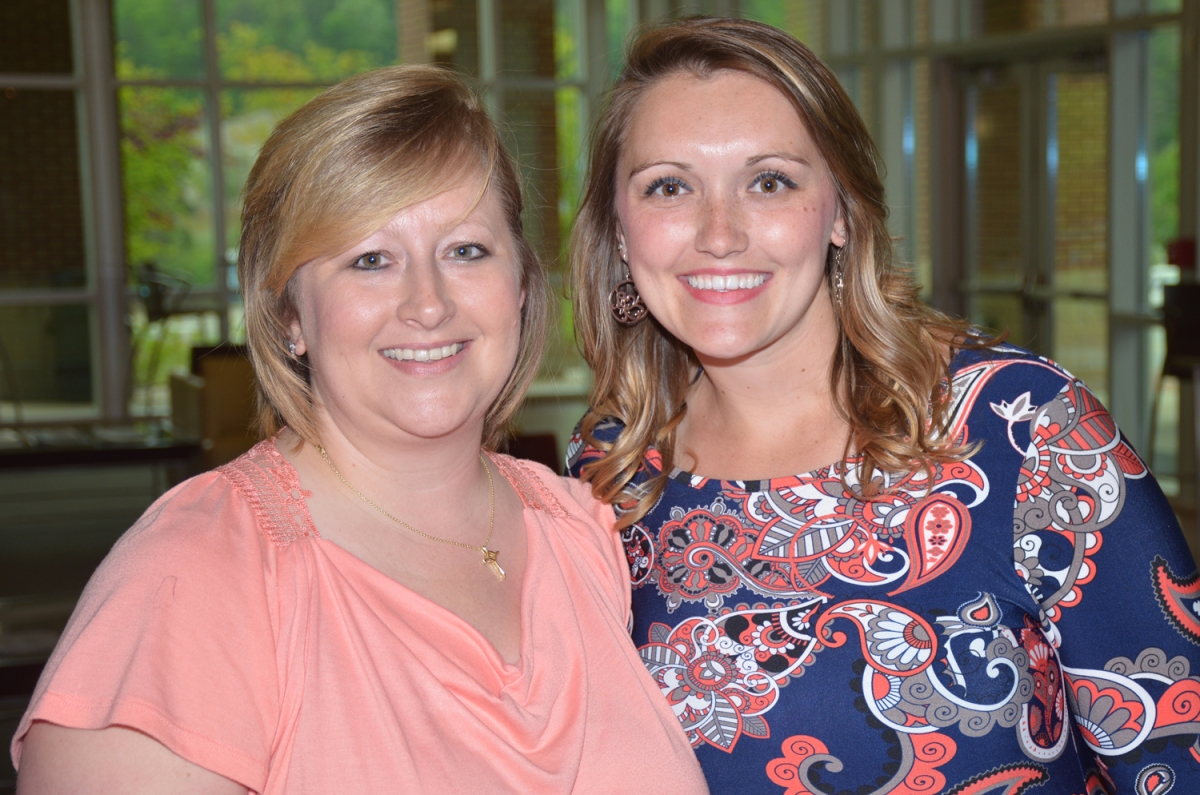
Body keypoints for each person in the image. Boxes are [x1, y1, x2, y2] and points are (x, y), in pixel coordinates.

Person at [13, 65, 707, 795]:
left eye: (466, 250)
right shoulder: (196, 573)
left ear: (524, 284)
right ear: (288, 316)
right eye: (370, 260)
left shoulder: (586, 532)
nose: (428, 304)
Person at [568, 16, 1200, 795]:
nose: (719, 233)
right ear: (621, 233)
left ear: (840, 212)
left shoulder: (1023, 430)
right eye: (669, 186)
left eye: (770, 181)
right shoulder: (610, 465)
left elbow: (1177, 750)